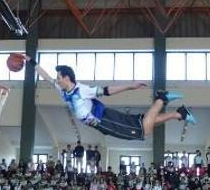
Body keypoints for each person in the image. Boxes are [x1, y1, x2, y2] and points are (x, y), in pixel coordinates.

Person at [27, 56, 195, 141]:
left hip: (104, 119)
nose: (56, 79)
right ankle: (179, 114)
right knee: (143, 124)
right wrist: (31, 61)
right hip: (102, 123)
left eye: (59, 77)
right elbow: (46, 76)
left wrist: (130, 86)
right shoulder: (62, 89)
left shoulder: (82, 89)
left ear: (67, 78)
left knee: (145, 130)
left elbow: (107, 91)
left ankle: (161, 99)